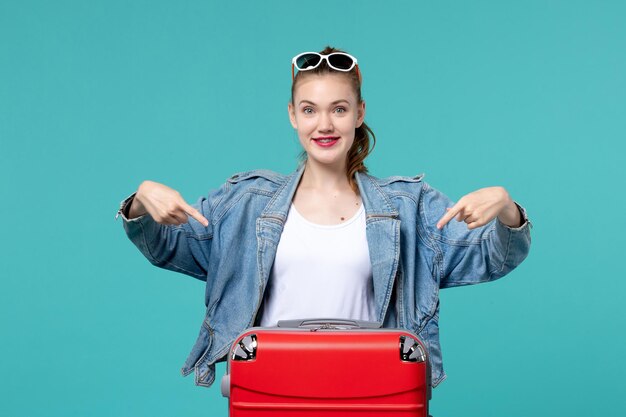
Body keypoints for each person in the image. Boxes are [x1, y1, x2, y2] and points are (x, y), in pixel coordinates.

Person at [117, 46, 532, 391]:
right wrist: (141, 200)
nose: (325, 124)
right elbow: (168, 244)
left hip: (374, 393)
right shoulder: (246, 204)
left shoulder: (410, 207)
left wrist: (505, 208)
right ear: (293, 116)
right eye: (310, 110)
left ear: (359, 113)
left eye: (338, 108)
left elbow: (492, 257)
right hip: (272, 392)